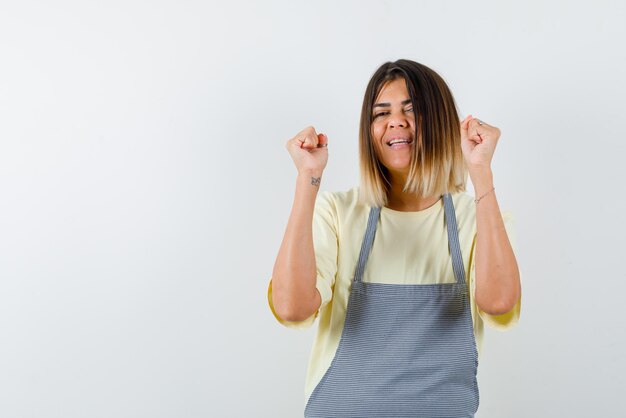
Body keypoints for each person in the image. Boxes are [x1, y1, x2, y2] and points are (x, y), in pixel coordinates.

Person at [267, 59, 522, 417]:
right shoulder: (338, 214)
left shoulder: (478, 220)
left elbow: (498, 303)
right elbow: (291, 308)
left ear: (442, 122)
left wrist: (480, 172)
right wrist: (307, 179)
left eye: (412, 109)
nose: (396, 121)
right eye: (380, 113)